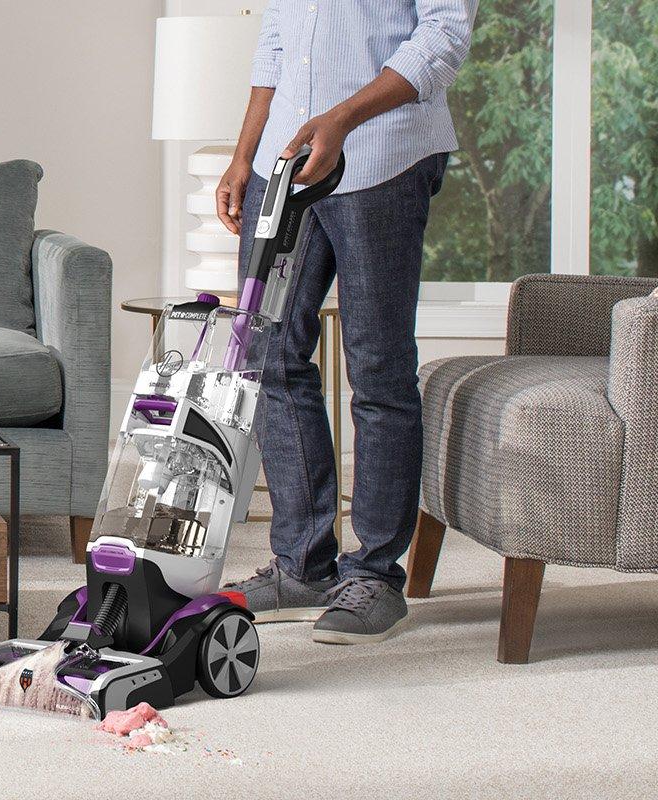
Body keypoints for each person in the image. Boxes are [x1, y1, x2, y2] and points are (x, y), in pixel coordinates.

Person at [218, 0, 474, 645]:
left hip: (385, 155)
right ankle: (302, 565)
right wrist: (242, 157)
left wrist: (341, 118)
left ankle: (377, 576)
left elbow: (443, 36)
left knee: (377, 363)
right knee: (268, 354)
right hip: (287, 165)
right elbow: (275, 46)